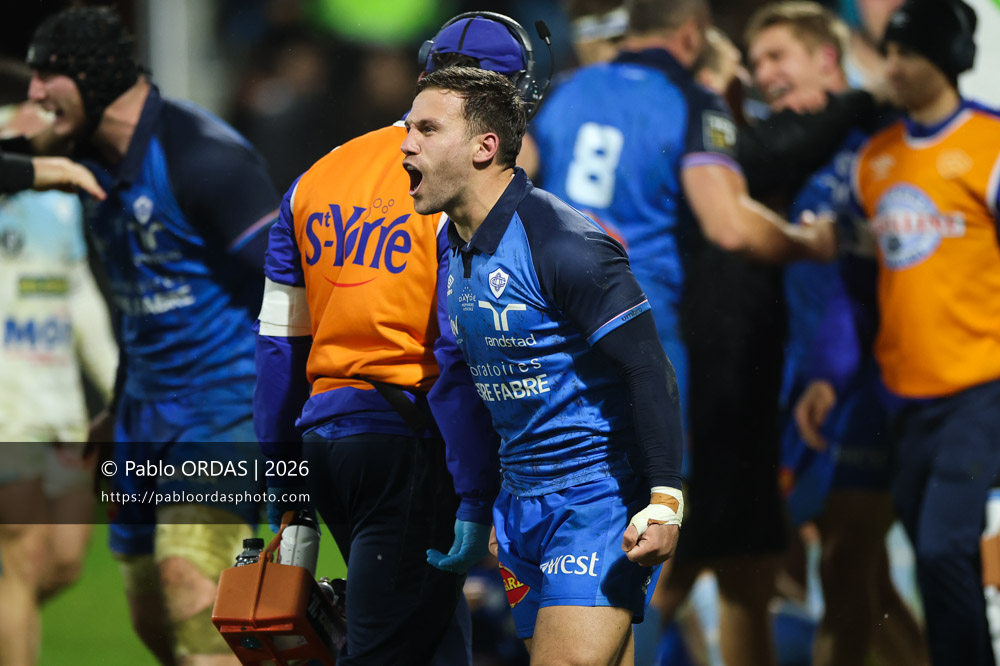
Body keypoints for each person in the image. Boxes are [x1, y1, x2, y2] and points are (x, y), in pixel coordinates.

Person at [526, 2, 834, 664]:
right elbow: (728, 224)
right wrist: (808, 243)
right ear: (692, 35)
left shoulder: (566, 93)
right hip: (640, 337)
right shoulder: (691, 102)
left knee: (574, 530)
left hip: (548, 338)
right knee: (649, 541)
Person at [254, 12, 547, 665]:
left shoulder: (318, 176)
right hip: (410, 446)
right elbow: (462, 348)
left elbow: (278, 346)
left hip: (325, 441)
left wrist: (283, 477)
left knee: (437, 645)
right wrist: (479, 489)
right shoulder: (474, 182)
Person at [403, 64, 685, 666]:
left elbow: (647, 368)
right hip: (521, 504)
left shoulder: (562, 243)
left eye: (427, 128)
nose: (406, 142)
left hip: (596, 500)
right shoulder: (450, 243)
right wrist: (479, 506)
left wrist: (665, 500)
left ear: (485, 147)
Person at [25, 6, 279, 664]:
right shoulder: (86, 165)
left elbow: (291, 282)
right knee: (155, 622)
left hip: (223, 410)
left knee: (189, 585)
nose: (31, 96)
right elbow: (140, 305)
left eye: (43, 77)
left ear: (90, 76)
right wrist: (117, 399)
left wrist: (299, 402)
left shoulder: (202, 158)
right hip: (141, 415)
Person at [796, 1, 1000, 663]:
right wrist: (828, 373)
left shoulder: (991, 146)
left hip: (980, 389)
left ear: (945, 58)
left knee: (944, 548)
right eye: (889, 52)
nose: (893, 67)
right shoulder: (873, 162)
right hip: (904, 395)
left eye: (906, 52)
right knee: (938, 558)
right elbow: (856, 287)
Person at [745, 4, 928, 666]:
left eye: (777, 56)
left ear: (826, 58)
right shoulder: (775, 152)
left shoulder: (884, 142)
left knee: (847, 566)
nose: (764, 73)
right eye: (755, 60)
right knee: (866, 577)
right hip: (803, 385)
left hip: (872, 384)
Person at [0, 58, 117, 666]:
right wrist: (33, 162)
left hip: (59, 402)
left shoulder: (59, 196)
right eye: (46, 107)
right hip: (6, 405)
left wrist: (118, 387)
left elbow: (77, 295)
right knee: (21, 555)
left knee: (63, 562)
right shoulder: (18, 167)